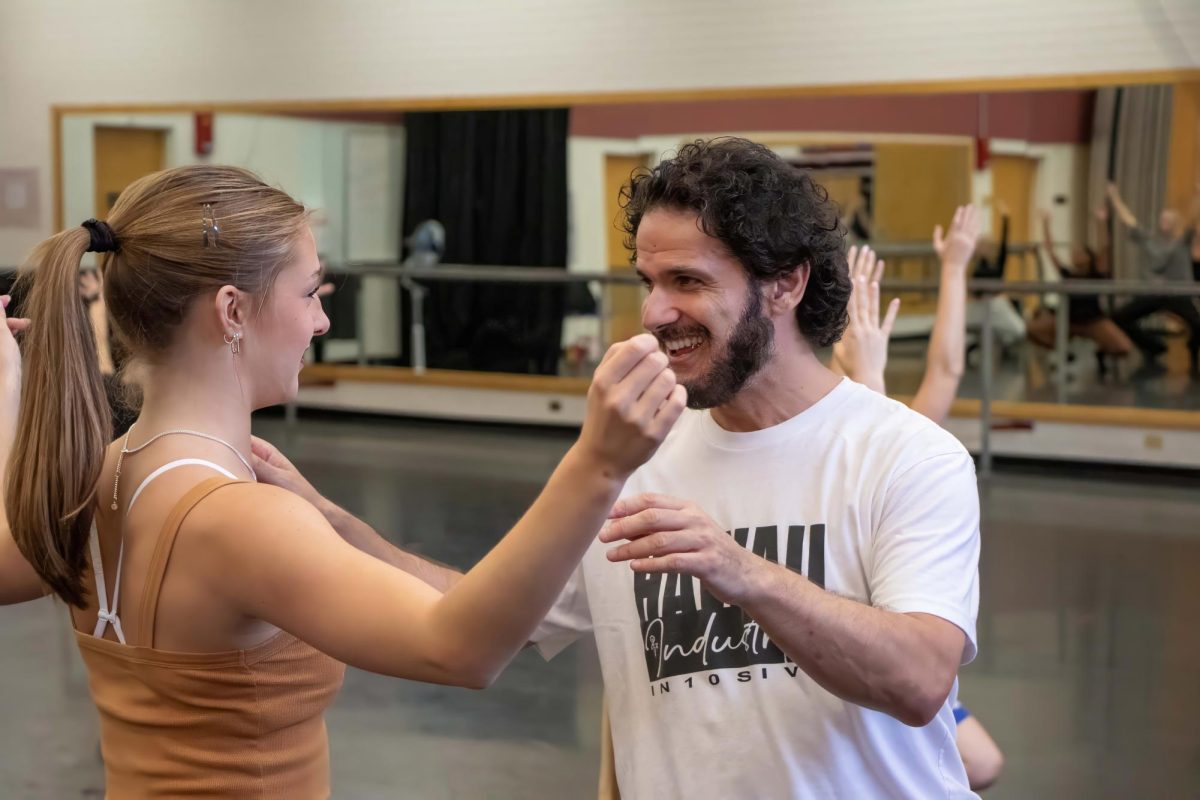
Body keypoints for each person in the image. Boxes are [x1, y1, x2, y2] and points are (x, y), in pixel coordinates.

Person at [257, 138, 982, 798]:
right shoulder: (638, 454)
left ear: (786, 285)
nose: (656, 313)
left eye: (688, 282)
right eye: (649, 281)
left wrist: (742, 571)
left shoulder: (907, 456)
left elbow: (920, 681)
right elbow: (486, 607)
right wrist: (331, 522)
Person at [0, 164, 686, 797]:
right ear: (233, 312)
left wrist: (7, 392)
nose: (323, 320)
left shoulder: (100, 474)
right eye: (308, 292)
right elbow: (463, 651)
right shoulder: (239, 519)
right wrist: (598, 464)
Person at [828, 222, 1008, 792]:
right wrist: (869, 372)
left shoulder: (902, 441)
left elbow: (947, 371)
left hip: (896, 645)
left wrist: (954, 268)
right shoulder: (820, 435)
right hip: (839, 657)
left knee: (983, 762)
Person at [1027, 206, 1132, 377]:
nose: (1075, 256)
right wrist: (1046, 223)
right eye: (1074, 254)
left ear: (1089, 257)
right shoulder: (1068, 275)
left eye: (1080, 253)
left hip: (1093, 321)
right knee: (1033, 330)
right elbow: (1049, 249)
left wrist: (1102, 223)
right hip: (1068, 320)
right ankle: (1063, 352)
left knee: (1123, 348)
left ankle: (1101, 351)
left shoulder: (1096, 273)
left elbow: (1106, 247)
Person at [1106, 182, 1200, 375]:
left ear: (1175, 223)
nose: (1164, 223)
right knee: (1119, 317)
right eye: (1162, 219)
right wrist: (1115, 198)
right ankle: (1153, 346)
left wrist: (1197, 196)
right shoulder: (1150, 239)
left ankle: (1193, 356)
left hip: (1178, 294)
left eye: (1168, 220)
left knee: (1198, 325)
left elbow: (1194, 219)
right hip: (1153, 293)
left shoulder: (1182, 240)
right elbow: (1129, 221)